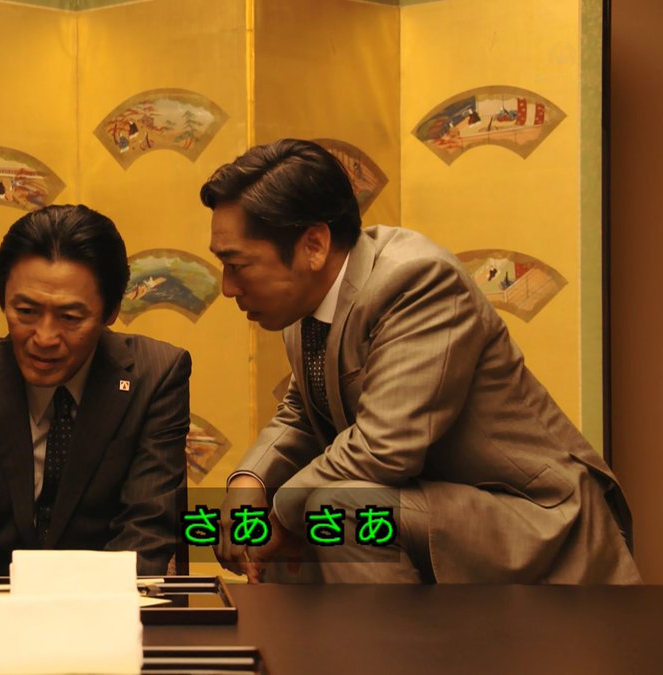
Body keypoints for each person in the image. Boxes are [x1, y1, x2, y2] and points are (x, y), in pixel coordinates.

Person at [203, 139, 640, 584]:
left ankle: (390, 636)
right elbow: (301, 415)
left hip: (536, 520)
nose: (227, 288)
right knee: (300, 512)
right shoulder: (308, 302)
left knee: (337, 510)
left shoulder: (417, 281)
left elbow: (382, 449)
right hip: (441, 508)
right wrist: (249, 484)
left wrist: (278, 518)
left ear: (314, 245)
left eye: (237, 265)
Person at [0, 204, 190, 576]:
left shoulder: (156, 377)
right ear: (3, 300)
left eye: (70, 317)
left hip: (107, 602)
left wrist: (74, 609)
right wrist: (13, 608)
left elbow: (147, 530)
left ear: (110, 312)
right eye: (26, 312)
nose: (44, 338)